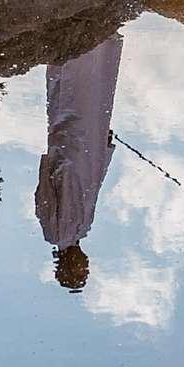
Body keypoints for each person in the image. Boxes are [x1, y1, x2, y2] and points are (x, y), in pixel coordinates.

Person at [36, 33, 122, 292]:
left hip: (68, 158)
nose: (84, 265)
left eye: (79, 270)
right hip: (87, 154)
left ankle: (76, 47)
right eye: (84, 269)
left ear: (67, 266)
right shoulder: (83, 229)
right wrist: (104, 149)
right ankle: (96, 42)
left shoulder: (56, 233)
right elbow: (94, 184)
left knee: (70, 102)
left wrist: (52, 161)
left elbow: (45, 192)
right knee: (93, 99)